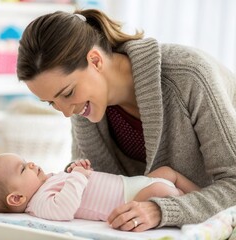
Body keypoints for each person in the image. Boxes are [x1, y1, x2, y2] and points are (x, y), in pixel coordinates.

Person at [16, 9, 236, 232]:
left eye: (67, 93)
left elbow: (233, 184)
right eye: (51, 103)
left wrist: (162, 210)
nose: (65, 112)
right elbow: (91, 191)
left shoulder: (189, 76)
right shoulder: (87, 109)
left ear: (95, 60)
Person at [0, 153, 199, 228]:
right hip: (131, 198)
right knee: (163, 191)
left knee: (168, 173)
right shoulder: (38, 204)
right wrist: (78, 177)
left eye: (26, 161)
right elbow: (64, 209)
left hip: (131, 182)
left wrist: (73, 169)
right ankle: (199, 210)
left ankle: (203, 195)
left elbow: (70, 182)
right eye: (23, 169)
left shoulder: (45, 182)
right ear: (17, 198)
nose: (31, 164)